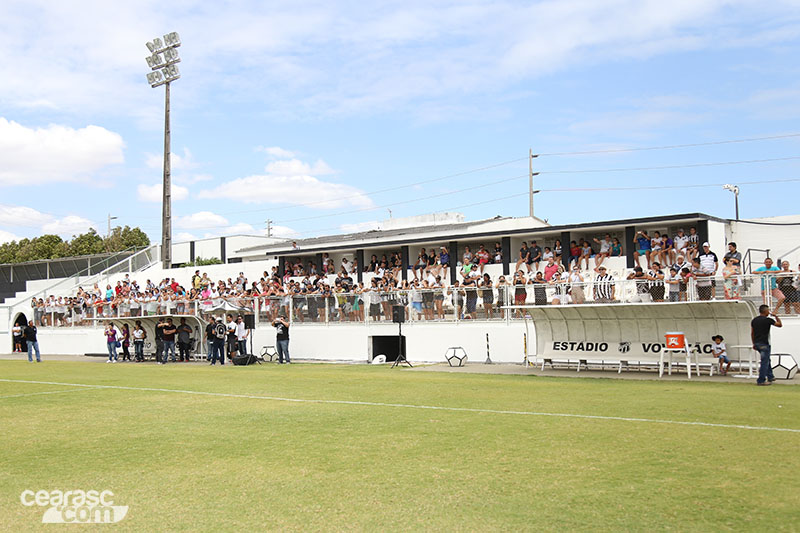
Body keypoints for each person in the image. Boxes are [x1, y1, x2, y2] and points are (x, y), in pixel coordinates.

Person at [751, 304, 782, 386]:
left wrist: (754, 343)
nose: (769, 312)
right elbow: (779, 325)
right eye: (768, 310)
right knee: (765, 362)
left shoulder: (754, 320)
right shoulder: (768, 320)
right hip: (764, 343)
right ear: (765, 311)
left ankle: (770, 376)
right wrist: (776, 316)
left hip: (757, 343)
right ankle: (761, 380)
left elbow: (752, 333)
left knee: (767, 360)